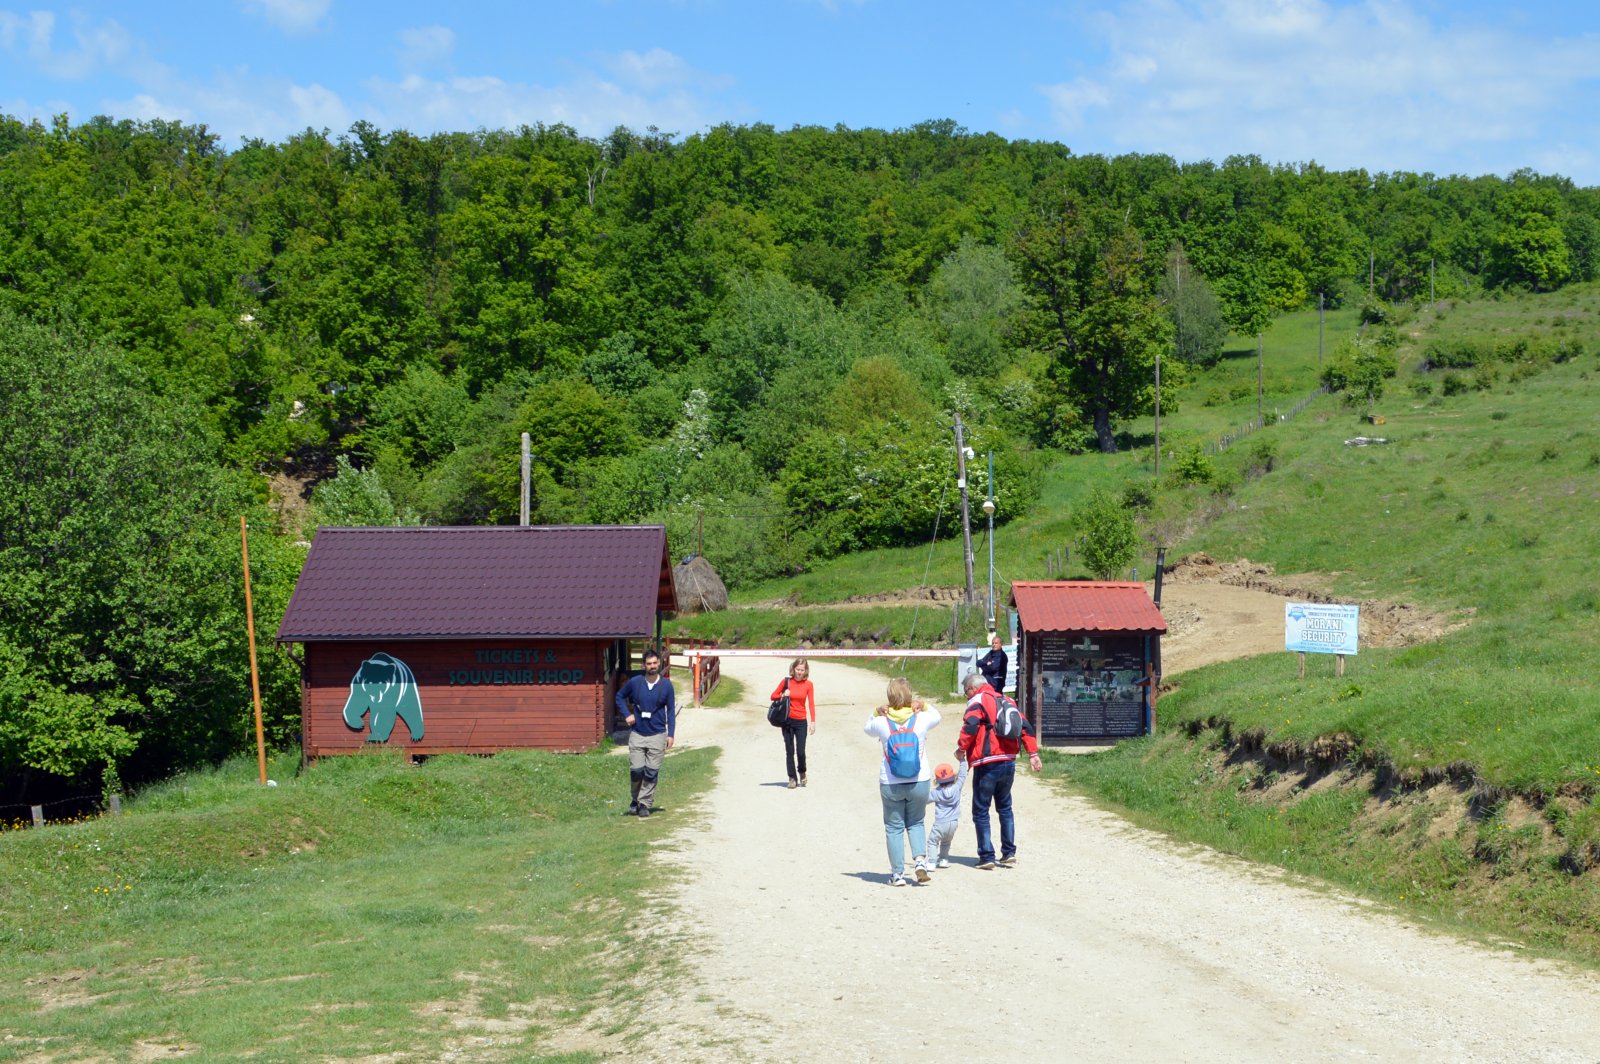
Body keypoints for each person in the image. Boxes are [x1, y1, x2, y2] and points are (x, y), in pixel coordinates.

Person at [956, 670, 1041, 869]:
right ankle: (1008, 852)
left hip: (987, 761)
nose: (966, 696)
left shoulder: (977, 700)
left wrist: (961, 748)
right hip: (1008, 761)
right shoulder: (1007, 700)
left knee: (981, 810)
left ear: (972, 688)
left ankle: (986, 856)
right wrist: (1033, 754)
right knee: (1005, 807)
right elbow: (1025, 727)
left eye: (965, 691)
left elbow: (971, 725)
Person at [862, 677, 941, 886]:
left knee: (894, 827)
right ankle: (920, 862)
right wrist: (922, 705)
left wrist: (876, 711)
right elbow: (937, 716)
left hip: (891, 781)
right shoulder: (921, 719)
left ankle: (897, 874)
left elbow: (866, 728)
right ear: (910, 696)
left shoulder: (881, 722)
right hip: (920, 779)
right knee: (916, 821)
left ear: (889, 696)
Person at [615, 648, 676, 818]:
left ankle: (644, 804)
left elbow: (670, 711)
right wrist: (627, 714)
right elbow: (619, 697)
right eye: (649, 664)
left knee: (651, 772)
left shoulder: (667, 686)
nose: (652, 666)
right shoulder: (635, 683)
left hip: (658, 734)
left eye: (655, 663)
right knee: (637, 770)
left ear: (659, 663)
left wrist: (671, 734)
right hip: (638, 734)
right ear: (644, 665)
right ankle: (635, 799)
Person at [771, 658, 817, 789]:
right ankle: (792, 778)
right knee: (789, 751)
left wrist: (813, 722)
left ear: (806, 671)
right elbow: (773, 695)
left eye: (802, 670)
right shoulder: (786, 682)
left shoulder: (809, 685)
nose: (799, 672)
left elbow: (811, 704)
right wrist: (783, 695)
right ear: (793, 669)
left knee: (801, 751)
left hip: (801, 721)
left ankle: (802, 772)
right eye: (798, 670)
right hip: (787, 721)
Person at [925, 760, 967, 869]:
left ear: (937, 780)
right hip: (953, 822)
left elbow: (924, 800)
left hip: (940, 822)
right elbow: (963, 775)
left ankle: (932, 862)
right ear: (953, 776)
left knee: (932, 841)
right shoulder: (957, 787)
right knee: (946, 842)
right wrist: (962, 761)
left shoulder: (936, 792)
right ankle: (943, 860)